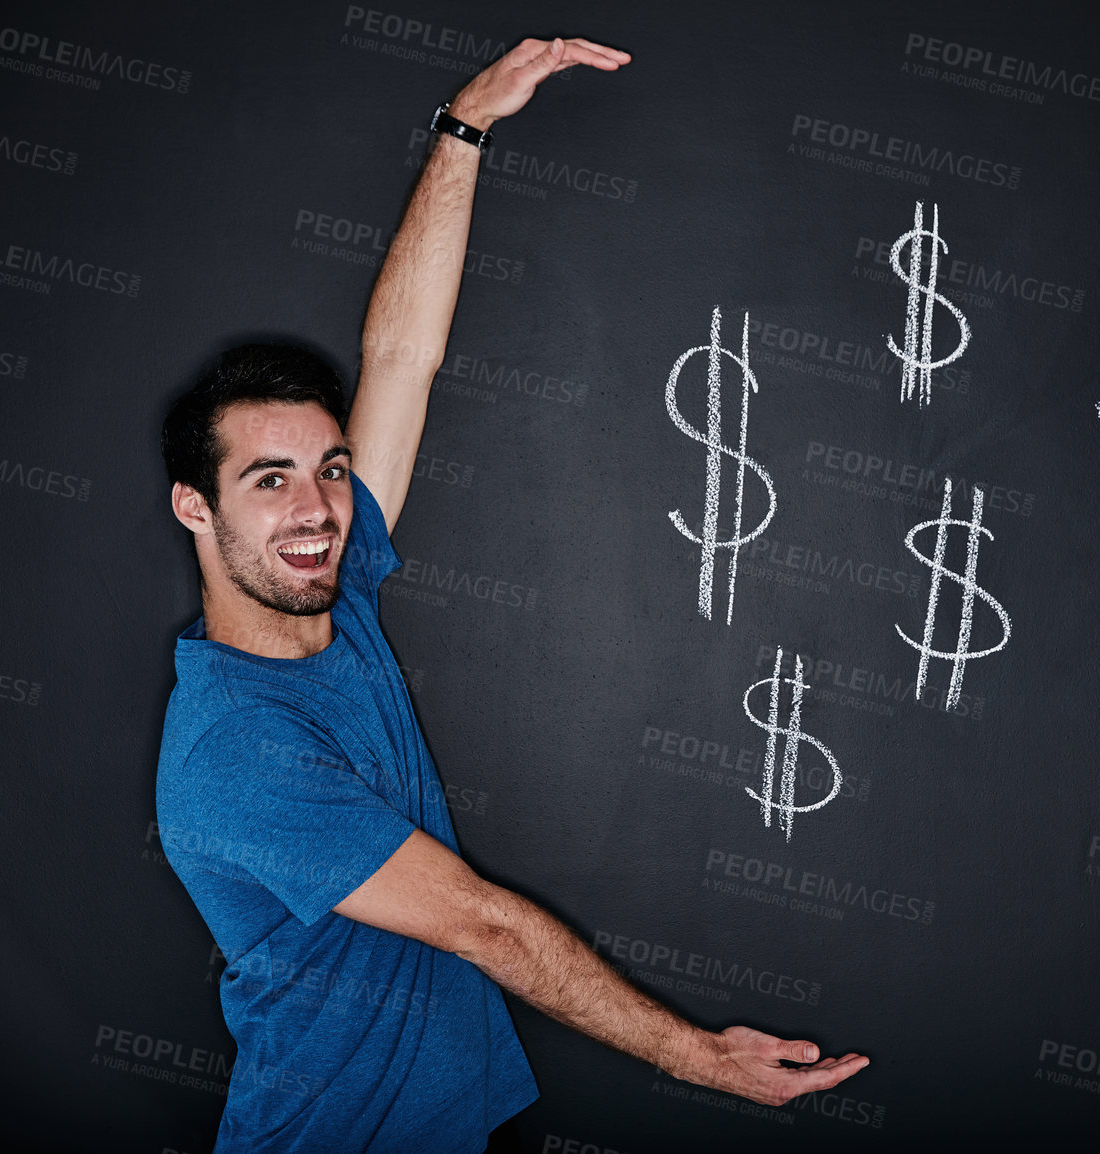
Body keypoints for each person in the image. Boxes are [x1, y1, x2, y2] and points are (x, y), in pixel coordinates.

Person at [155, 36, 868, 1153]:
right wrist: (701, 1058)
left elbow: (400, 356)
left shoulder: (338, 601)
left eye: (330, 469)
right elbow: (486, 923)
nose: (316, 506)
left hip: (465, 1122)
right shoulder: (234, 751)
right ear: (195, 508)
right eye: (269, 478)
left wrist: (464, 126)